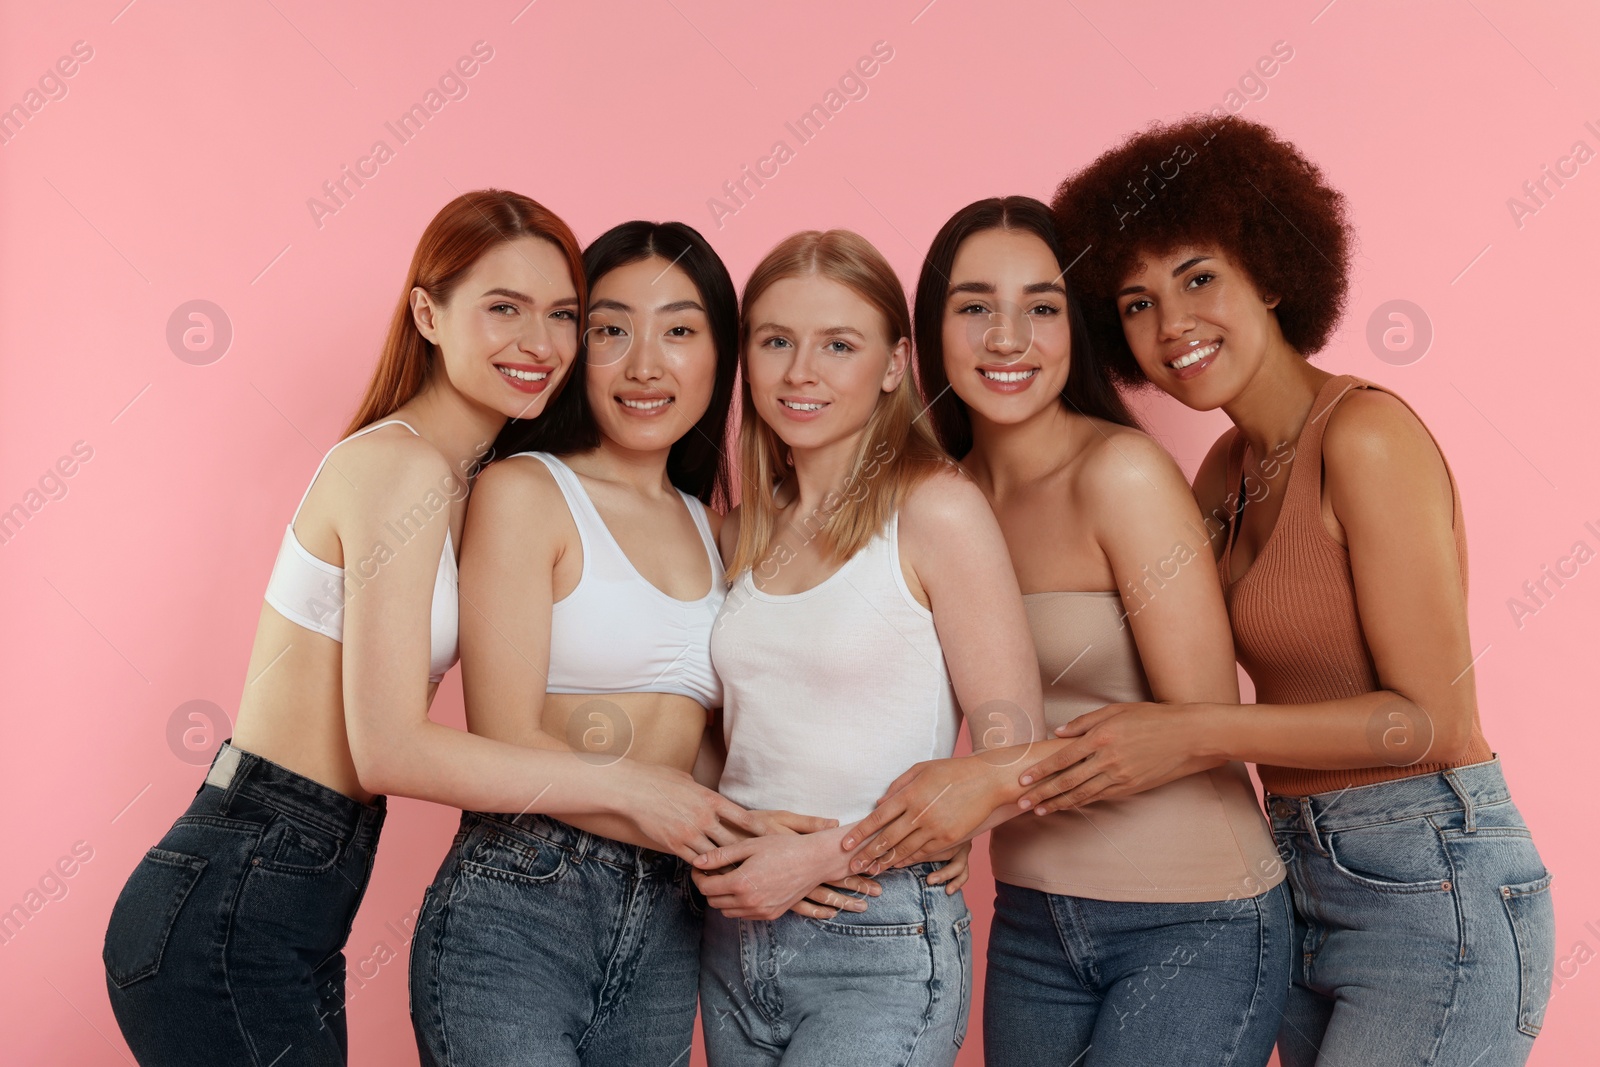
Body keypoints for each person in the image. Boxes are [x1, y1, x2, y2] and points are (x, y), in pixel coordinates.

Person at [102, 193, 754, 1067]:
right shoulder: (403, 466)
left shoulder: (460, 477)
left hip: (294, 880)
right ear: (427, 313)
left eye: (561, 314)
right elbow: (391, 751)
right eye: (503, 308)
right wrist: (640, 790)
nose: (538, 342)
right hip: (246, 872)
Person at [1039, 115, 1555, 1066]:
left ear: (1271, 272)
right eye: (1137, 302)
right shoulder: (1222, 473)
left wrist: (1198, 730)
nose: (1172, 325)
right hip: (1297, 875)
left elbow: (1428, 722)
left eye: (1198, 277)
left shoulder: (1363, 438)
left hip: (1431, 871)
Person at [845, 195, 1291, 1066]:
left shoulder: (1118, 473)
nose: (1007, 338)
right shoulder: (935, 501)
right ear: (928, 335)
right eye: (974, 307)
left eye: (1041, 308)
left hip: (1194, 918)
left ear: (1074, 330)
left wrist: (987, 787)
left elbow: (1196, 723)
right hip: (1032, 925)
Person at [408, 220, 847, 1066]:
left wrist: (798, 837)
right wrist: (658, 799)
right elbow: (502, 738)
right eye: (611, 329)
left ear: (722, 354)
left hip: (671, 912)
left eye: (680, 330)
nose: (645, 364)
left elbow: (715, 747)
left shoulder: (715, 530)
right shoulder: (526, 491)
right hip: (524, 898)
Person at [690, 229, 1041, 1066]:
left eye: (838, 344)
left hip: (877, 934)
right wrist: (716, 838)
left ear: (892, 363)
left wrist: (820, 856)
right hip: (733, 936)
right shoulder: (737, 532)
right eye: (775, 342)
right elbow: (724, 742)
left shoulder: (935, 512)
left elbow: (1017, 756)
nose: (799, 372)